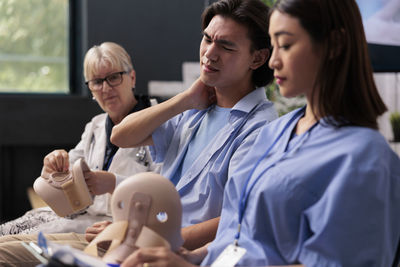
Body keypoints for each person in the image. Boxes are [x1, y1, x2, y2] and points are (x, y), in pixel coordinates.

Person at [121, 0, 400, 266]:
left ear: (335, 45)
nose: (274, 61)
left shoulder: (366, 158)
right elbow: (240, 231)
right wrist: (197, 257)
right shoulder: (278, 132)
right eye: (274, 45)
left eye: (286, 45)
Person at [111, 0, 277, 251]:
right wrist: (184, 99)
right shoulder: (194, 110)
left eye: (226, 46)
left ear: (258, 58)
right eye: (207, 39)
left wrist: (149, 241)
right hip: (145, 242)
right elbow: (120, 136)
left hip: (181, 255)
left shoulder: (260, 128)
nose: (209, 53)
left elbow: (239, 219)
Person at [0, 41, 159, 253]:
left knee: (8, 250)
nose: (106, 88)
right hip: (78, 216)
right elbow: (66, 175)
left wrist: (114, 184)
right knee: (4, 232)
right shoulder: (95, 126)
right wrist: (54, 166)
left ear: (132, 78)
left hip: (116, 225)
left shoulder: (161, 124)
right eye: (97, 82)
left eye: (113, 77)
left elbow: (165, 191)